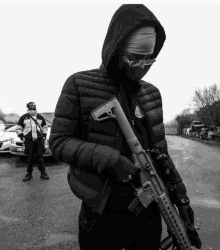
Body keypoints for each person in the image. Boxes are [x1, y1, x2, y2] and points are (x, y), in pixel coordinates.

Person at [49, 4, 200, 250]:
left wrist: (181, 199)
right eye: (135, 57)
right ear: (116, 49)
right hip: (102, 212)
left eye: (149, 58)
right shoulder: (79, 84)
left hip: (149, 213)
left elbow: (162, 156)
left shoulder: (152, 94)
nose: (142, 65)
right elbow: (58, 142)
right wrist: (112, 160)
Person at [16, 102, 50, 182]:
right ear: (28, 108)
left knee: (40, 157)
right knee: (30, 158)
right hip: (29, 140)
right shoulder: (24, 117)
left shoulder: (40, 117)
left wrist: (44, 136)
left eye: (34, 107)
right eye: (31, 107)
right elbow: (18, 128)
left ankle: (43, 172)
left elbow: (45, 127)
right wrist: (21, 136)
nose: (33, 109)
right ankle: (29, 174)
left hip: (39, 140)